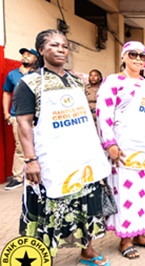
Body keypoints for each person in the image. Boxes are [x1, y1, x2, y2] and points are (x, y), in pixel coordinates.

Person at [14, 29, 111, 266]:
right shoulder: (30, 83)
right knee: (51, 209)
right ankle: (42, 257)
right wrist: (30, 159)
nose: (61, 49)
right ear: (41, 50)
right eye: (54, 45)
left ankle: (87, 252)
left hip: (82, 157)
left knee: (86, 205)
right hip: (52, 161)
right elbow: (24, 122)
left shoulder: (77, 80)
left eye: (64, 46)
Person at [96, 41, 145, 259]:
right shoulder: (113, 81)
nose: (138, 59)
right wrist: (110, 144)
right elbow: (103, 113)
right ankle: (125, 239)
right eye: (133, 54)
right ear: (124, 56)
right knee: (126, 192)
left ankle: (140, 234)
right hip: (124, 148)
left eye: (142, 56)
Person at [2, 47, 37, 190]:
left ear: (36, 58)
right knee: (20, 146)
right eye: (23, 55)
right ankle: (18, 177)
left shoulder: (39, 74)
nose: (25, 57)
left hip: (36, 116)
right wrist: (6, 113)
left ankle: (38, 175)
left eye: (29, 55)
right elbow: (6, 92)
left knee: (38, 145)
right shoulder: (12, 75)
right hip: (17, 115)